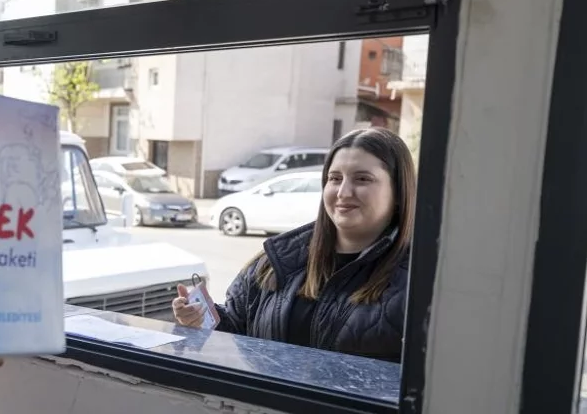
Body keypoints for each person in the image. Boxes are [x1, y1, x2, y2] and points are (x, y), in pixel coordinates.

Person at [172, 128, 416, 362]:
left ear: (398, 193)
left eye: (362, 179)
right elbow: (235, 328)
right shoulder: (277, 260)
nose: (343, 192)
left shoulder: (420, 282)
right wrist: (200, 319)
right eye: (335, 178)